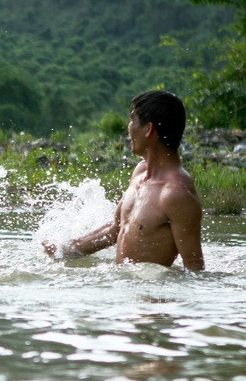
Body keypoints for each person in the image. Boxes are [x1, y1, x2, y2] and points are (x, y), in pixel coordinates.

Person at [42, 90, 204, 271]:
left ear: (148, 129)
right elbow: (115, 229)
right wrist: (67, 249)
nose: (128, 128)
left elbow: (194, 266)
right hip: (123, 290)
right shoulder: (140, 172)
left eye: (132, 120)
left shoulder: (176, 193)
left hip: (151, 294)